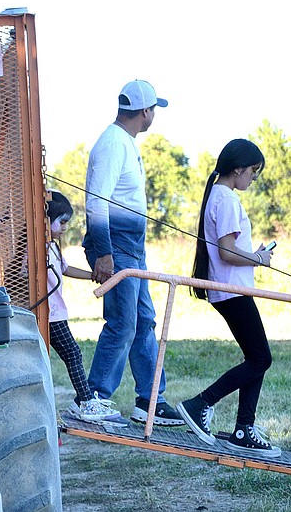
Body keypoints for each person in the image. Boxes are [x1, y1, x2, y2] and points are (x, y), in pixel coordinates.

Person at [82, 79, 183, 426]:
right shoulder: (113, 143)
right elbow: (97, 202)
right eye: (154, 109)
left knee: (144, 322)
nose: (154, 115)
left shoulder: (125, 142)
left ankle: (150, 400)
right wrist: (104, 253)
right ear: (145, 112)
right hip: (118, 247)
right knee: (123, 323)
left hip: (132, 247)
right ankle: (94, 397)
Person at [177, 138, 280, 458]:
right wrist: (258, 259)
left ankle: (243, 429)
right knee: (261, 358)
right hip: (232, 290)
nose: (253, 177)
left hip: (231, 289)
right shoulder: (226, 199)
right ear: (238, 168)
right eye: (253, 171)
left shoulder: (220, 196)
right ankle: (200, 404)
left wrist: (253, 256)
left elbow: (228, 250)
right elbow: (227, 251)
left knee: (256, 358)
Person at [47, 190, 124, 426]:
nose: (64, 228)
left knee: (72, 354)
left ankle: (85, 400)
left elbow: (66, 269)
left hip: (56, 312)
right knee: (73, 354)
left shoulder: (52, 246)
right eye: (61, 222)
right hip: (49, 314)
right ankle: (85, 402)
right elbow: (23, 272)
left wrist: (93, 275)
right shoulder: (35, 249)